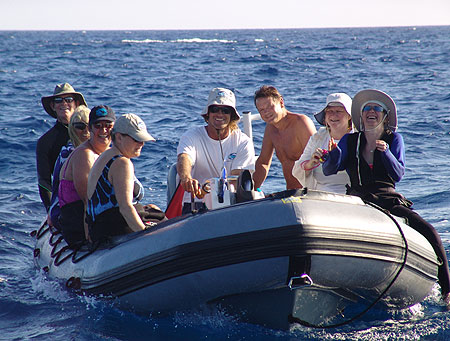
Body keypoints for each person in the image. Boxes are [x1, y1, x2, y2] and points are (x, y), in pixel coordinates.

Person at [322, 89, 450, 302]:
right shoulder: (349, 140)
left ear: (385, 116)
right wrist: (334, 153)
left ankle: (447, 290)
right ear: (361, 117)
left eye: (376, 108)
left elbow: (398, 174)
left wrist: (386, 153)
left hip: (387, 197)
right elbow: (329, 170)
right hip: (358, 199)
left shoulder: (394, 139)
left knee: (428, 229)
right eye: (367, 109)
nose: (371, 111)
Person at [177, 87, 256, 214]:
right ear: (208, 113)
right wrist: (186, 178)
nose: (220, 114)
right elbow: (184, 157)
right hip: (196, 205)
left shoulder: (243, 141)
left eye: (225, 110)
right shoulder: (191, 135)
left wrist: (208, 189)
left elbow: (237, 180)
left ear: (232, 116)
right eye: (215, 109)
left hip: (231, 204)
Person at [86, 113, 162, 244]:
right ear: (119, 137)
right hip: (115, 227)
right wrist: (145, 235)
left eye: (142, 140)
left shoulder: (105, 156)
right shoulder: (122, 163)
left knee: (155, 212)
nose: (141, 144)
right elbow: (125, 207)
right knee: (164, 222)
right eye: (136, 139)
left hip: (99, 227)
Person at [59, 105, 116, 247]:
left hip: (101, 216)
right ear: (90, 129)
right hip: (78, 225)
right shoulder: (85, 155)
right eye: (98, 126)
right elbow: (88, 201)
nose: (104, 130)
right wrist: (90, 239)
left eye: (108, 125)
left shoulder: (109, 153)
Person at [253, 85, 316, 190]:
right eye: (262, 110)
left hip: (309, 193)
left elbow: (317, 160)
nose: (266, 113)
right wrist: (250, 191)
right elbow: (263, 162)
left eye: (270, 107)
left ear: (281, 102)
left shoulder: (301, 123)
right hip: (290, 193)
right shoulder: (270, 129)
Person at [36, 83, 87, 211]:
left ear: (76, 104)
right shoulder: (45, 142)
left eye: (68, 99)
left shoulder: (92, 133)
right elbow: (44, 181)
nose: (64, 103)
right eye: (58, 100)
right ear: (52, 106)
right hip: (67, 203)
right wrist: (50, 209)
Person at [292, 93, 354, 193]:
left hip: (351, 195)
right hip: (320, 195)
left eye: (339, 111)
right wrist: (311, 163)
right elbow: (298, 169)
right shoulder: (318, 138)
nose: (334, 115)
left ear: (349, 116)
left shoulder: (358, 138)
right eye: (330, 111)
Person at [47, 105, 91, 230]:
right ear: (72, 128)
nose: (86, 131)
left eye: (89, 126)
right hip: (62, 213)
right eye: (80, 126)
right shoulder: (69, 154)